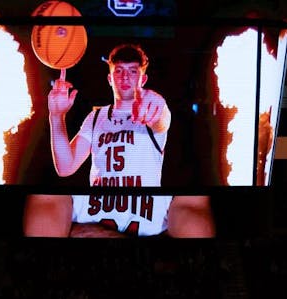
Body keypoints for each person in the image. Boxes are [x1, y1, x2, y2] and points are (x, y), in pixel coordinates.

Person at [26, 43, 214, 238]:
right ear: (110, 79)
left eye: (133, 71)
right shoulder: (96, 118)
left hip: (144, 209)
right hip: (97, 207)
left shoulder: (150, 109)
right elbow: (65, 167)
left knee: (194, 204)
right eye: (119, 71)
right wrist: (56, 116)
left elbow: (161, 121)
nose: (125, 77)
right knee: (44, 197)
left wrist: (159, 107)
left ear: (143, 79)